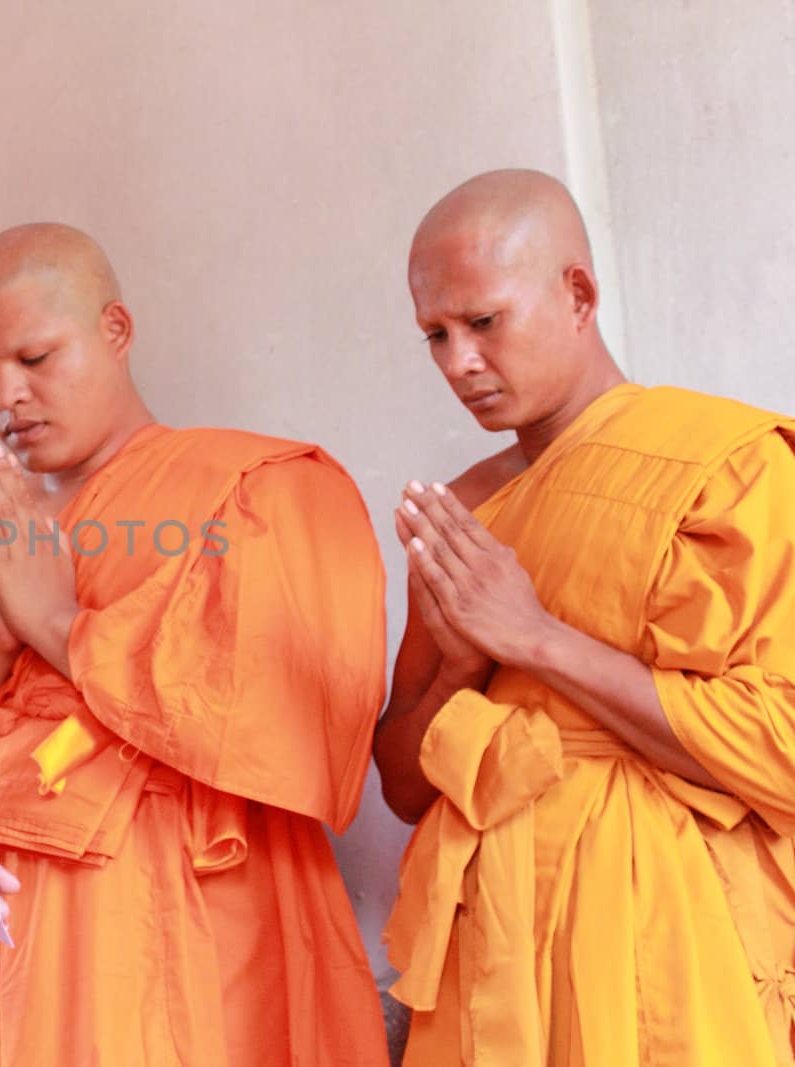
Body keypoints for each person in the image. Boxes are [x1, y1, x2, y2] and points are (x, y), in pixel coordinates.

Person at [0, 222, 390, 1065]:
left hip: (185, 907)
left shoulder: (259, 488)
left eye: (34, 359)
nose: (5, 397)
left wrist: (59, 626)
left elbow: (289, 717)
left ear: (116, 330)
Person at [376, 168, 795, 1065]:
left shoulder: (730, 466)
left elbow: (783, 745)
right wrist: (461, 662)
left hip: (664, 930)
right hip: (487, 939)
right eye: (435, 336)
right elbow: (404, 788)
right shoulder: (464, 513)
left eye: (483, 323)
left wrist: (534, 638)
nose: (459, 363)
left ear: (578, 294)